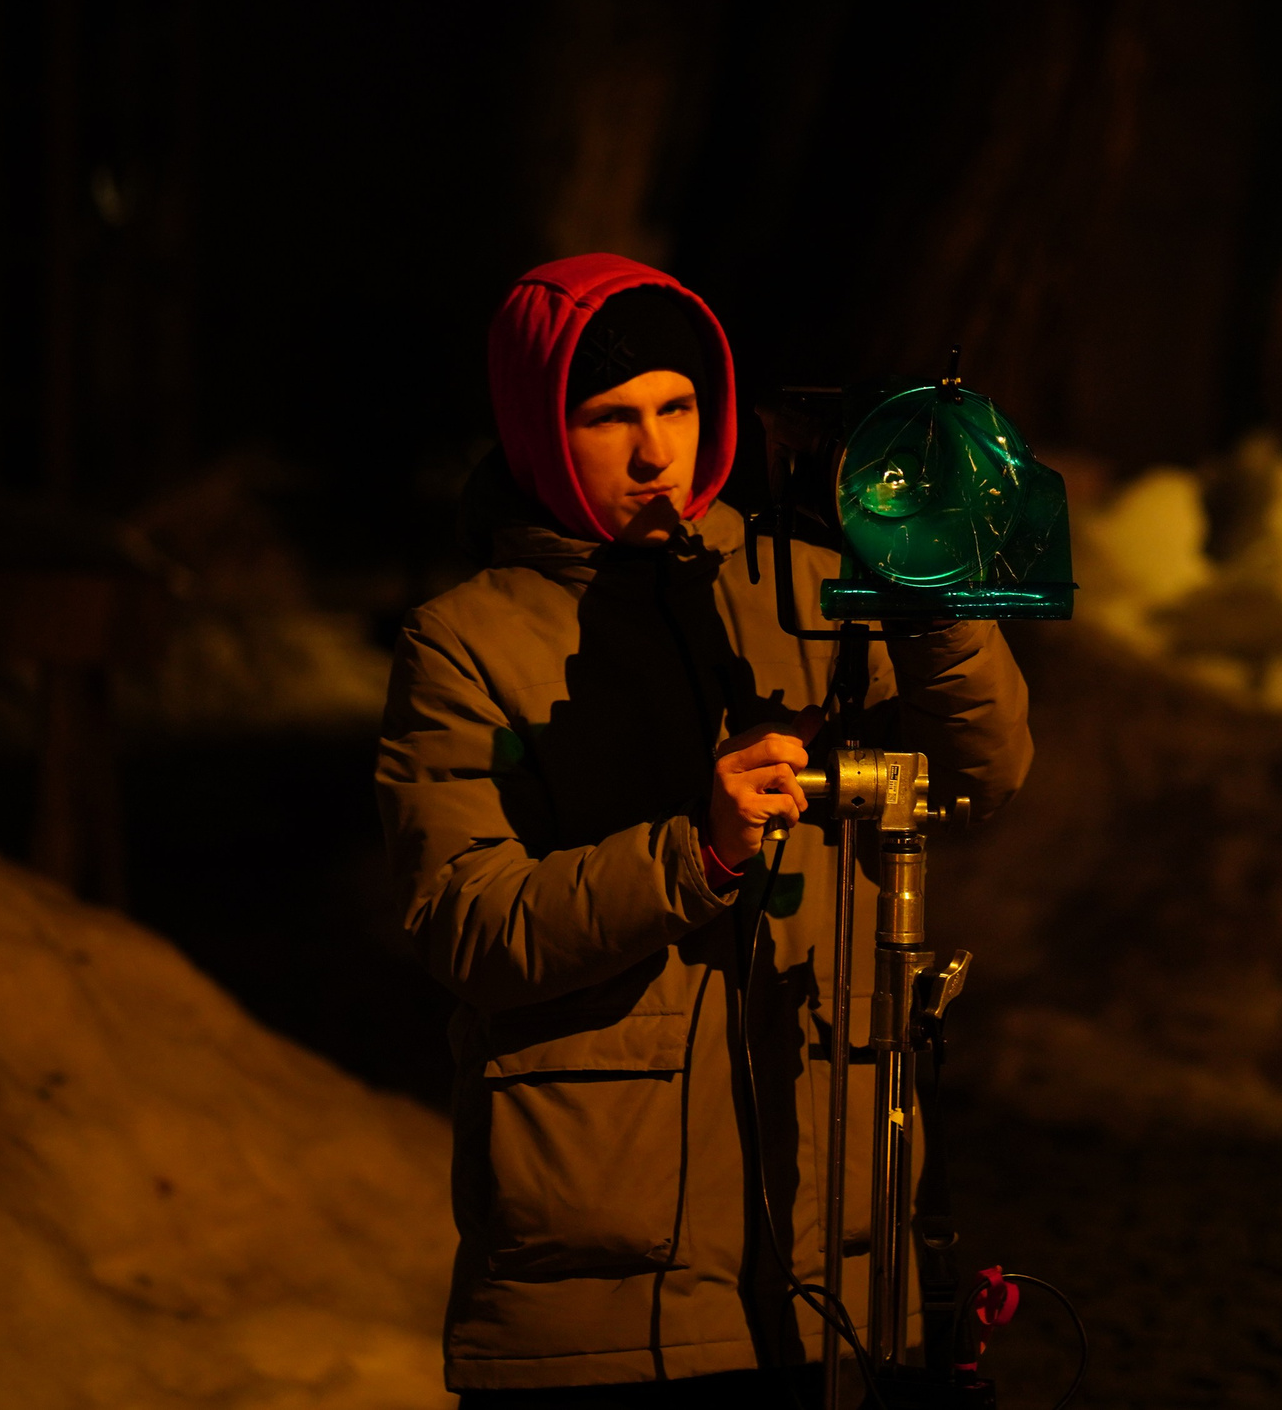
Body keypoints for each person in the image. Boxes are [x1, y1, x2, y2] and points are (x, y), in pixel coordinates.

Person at [378, 253, 1033, 1407]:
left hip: (836, 1243)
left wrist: (936, 603)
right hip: (607, 1281)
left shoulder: (810, 590)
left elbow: (980, 773)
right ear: (539, 427)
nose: (654, 453)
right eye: (609, 417)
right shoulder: (465, 645)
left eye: (678, 408)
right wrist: (697, 852)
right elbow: (463, 922)